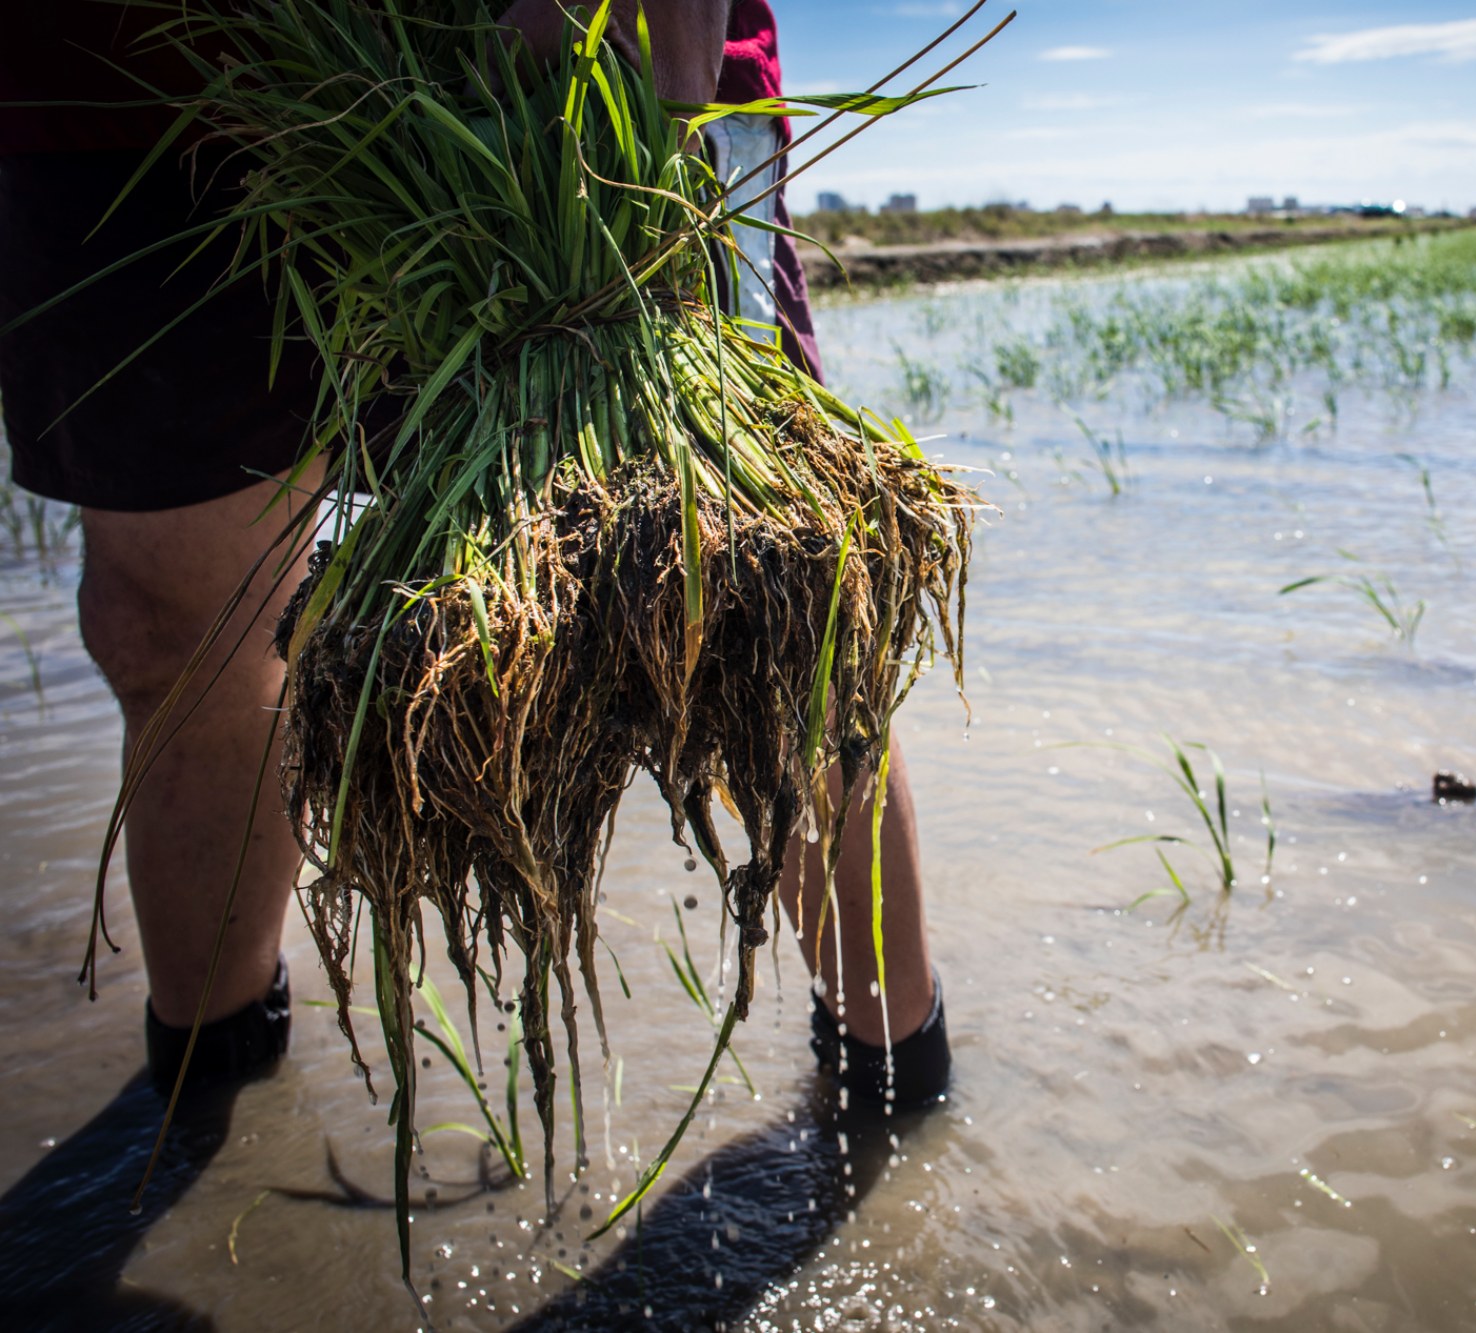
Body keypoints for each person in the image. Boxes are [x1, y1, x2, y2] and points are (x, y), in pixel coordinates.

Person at [0, 1, 946, 1116]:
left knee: (766, 592)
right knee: (174, 630)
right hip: (144, 92)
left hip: (583, 64)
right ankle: (209, 1105)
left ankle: (896, 1093)